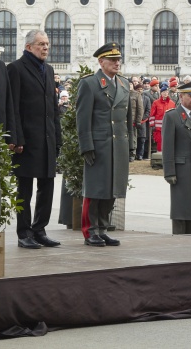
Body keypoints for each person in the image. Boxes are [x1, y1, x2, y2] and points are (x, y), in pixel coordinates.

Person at [7, 30, 62, 249]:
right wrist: (17, 137)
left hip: (47, 138)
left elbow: (53, 108)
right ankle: (24, 232)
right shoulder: (15, 69)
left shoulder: (48, 70)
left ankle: (40, 229)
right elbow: (14, 107)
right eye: (41, 44)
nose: (45, 48)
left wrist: (57, 137)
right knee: (25, 188)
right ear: (29, 47)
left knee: (47, 185)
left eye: (47, 44)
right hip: (26, 141)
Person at [75, 43, 133, 247]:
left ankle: (102, 228)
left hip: (118, 145)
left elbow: (127, 119)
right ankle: (90, 230)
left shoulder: (124, 84)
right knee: (95, 191)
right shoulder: (90, 84)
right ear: (101, 62)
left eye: (119, 59)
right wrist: (86, 146)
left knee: (112, 190)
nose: (117, 63)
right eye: (112, 59)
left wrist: (131, 145)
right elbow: (83, 118)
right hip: (98, 145)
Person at [161, 81, 191, 234]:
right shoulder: (172, 116)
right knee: (181, 209)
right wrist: (169, 171)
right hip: (181, 169)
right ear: (181, 97)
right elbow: (167, 147)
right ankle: (179, 240)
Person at [149, 83, 175, 153]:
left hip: (169, 128)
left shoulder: (172, 103)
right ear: (161, 93)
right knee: (160, 143)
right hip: (158, 128)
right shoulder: (156, 103)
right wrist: (152, 125)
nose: (165, 93)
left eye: (166, 92)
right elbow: (152, 115)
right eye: (163, 92)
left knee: (169, 143)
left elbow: (174, 115)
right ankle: (159, 158)